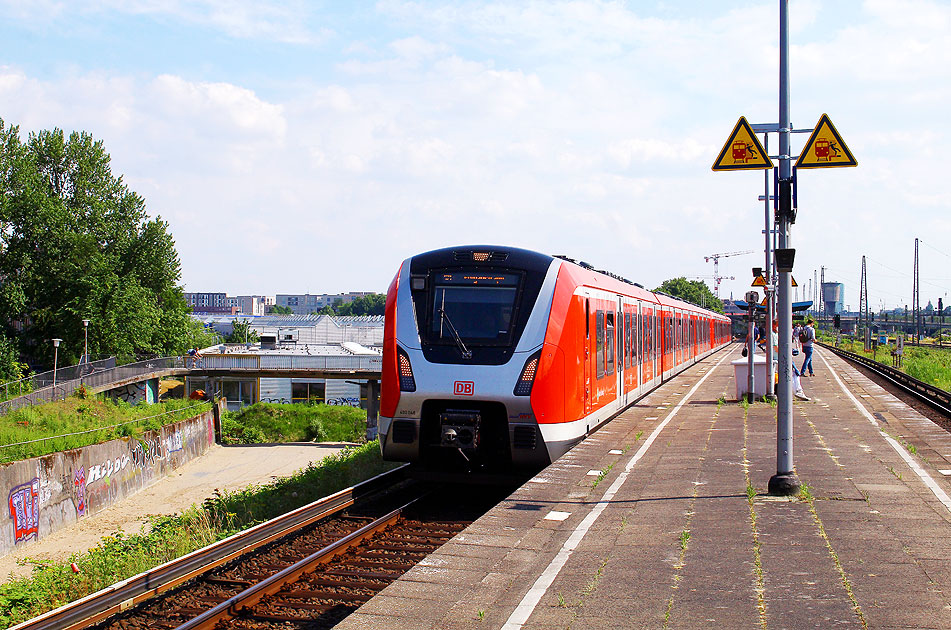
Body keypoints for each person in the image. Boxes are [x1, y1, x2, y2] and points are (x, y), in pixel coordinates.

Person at [772, 320, 809, 400]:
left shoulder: (775, 334)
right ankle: (798, 392)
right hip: (780, 358)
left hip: (780, 357)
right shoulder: (773, 335)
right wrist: (787, 352)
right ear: (775, 326)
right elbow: (776, 347)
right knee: (794, 373)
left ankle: (797, 391)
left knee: (792, 374)